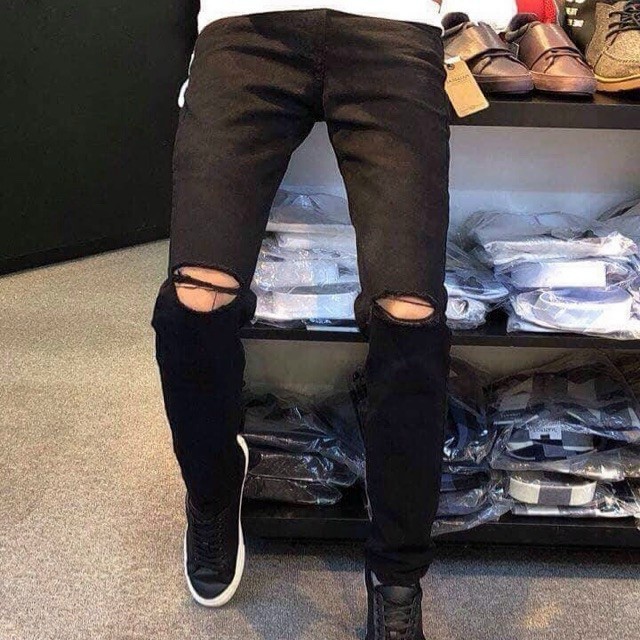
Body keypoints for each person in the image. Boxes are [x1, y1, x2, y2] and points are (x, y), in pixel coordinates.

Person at [151, 2, 450, 638]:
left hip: (390, 26)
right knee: (195, 298)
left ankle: (397, 573)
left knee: (410, 311)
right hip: (247, 22)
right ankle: (212, 489)